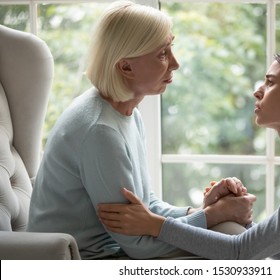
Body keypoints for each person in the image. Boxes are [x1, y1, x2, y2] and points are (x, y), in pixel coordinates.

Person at [98, 49, 280, 260]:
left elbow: (242, 252)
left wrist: (156, 225)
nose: (257, 91)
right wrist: (243, 221)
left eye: (271, 82)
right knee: (226, 227)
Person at [27, 0, 256, 259]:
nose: (175, 63)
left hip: (116, 249)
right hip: (89, 260)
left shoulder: (126, 112)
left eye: (172, 48)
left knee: (231, 234)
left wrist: (200, 211)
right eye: (162, 54)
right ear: (125, 67)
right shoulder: (101, 132)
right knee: (230, 242)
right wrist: (213, 216)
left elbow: (147, 207)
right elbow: (139, 245)